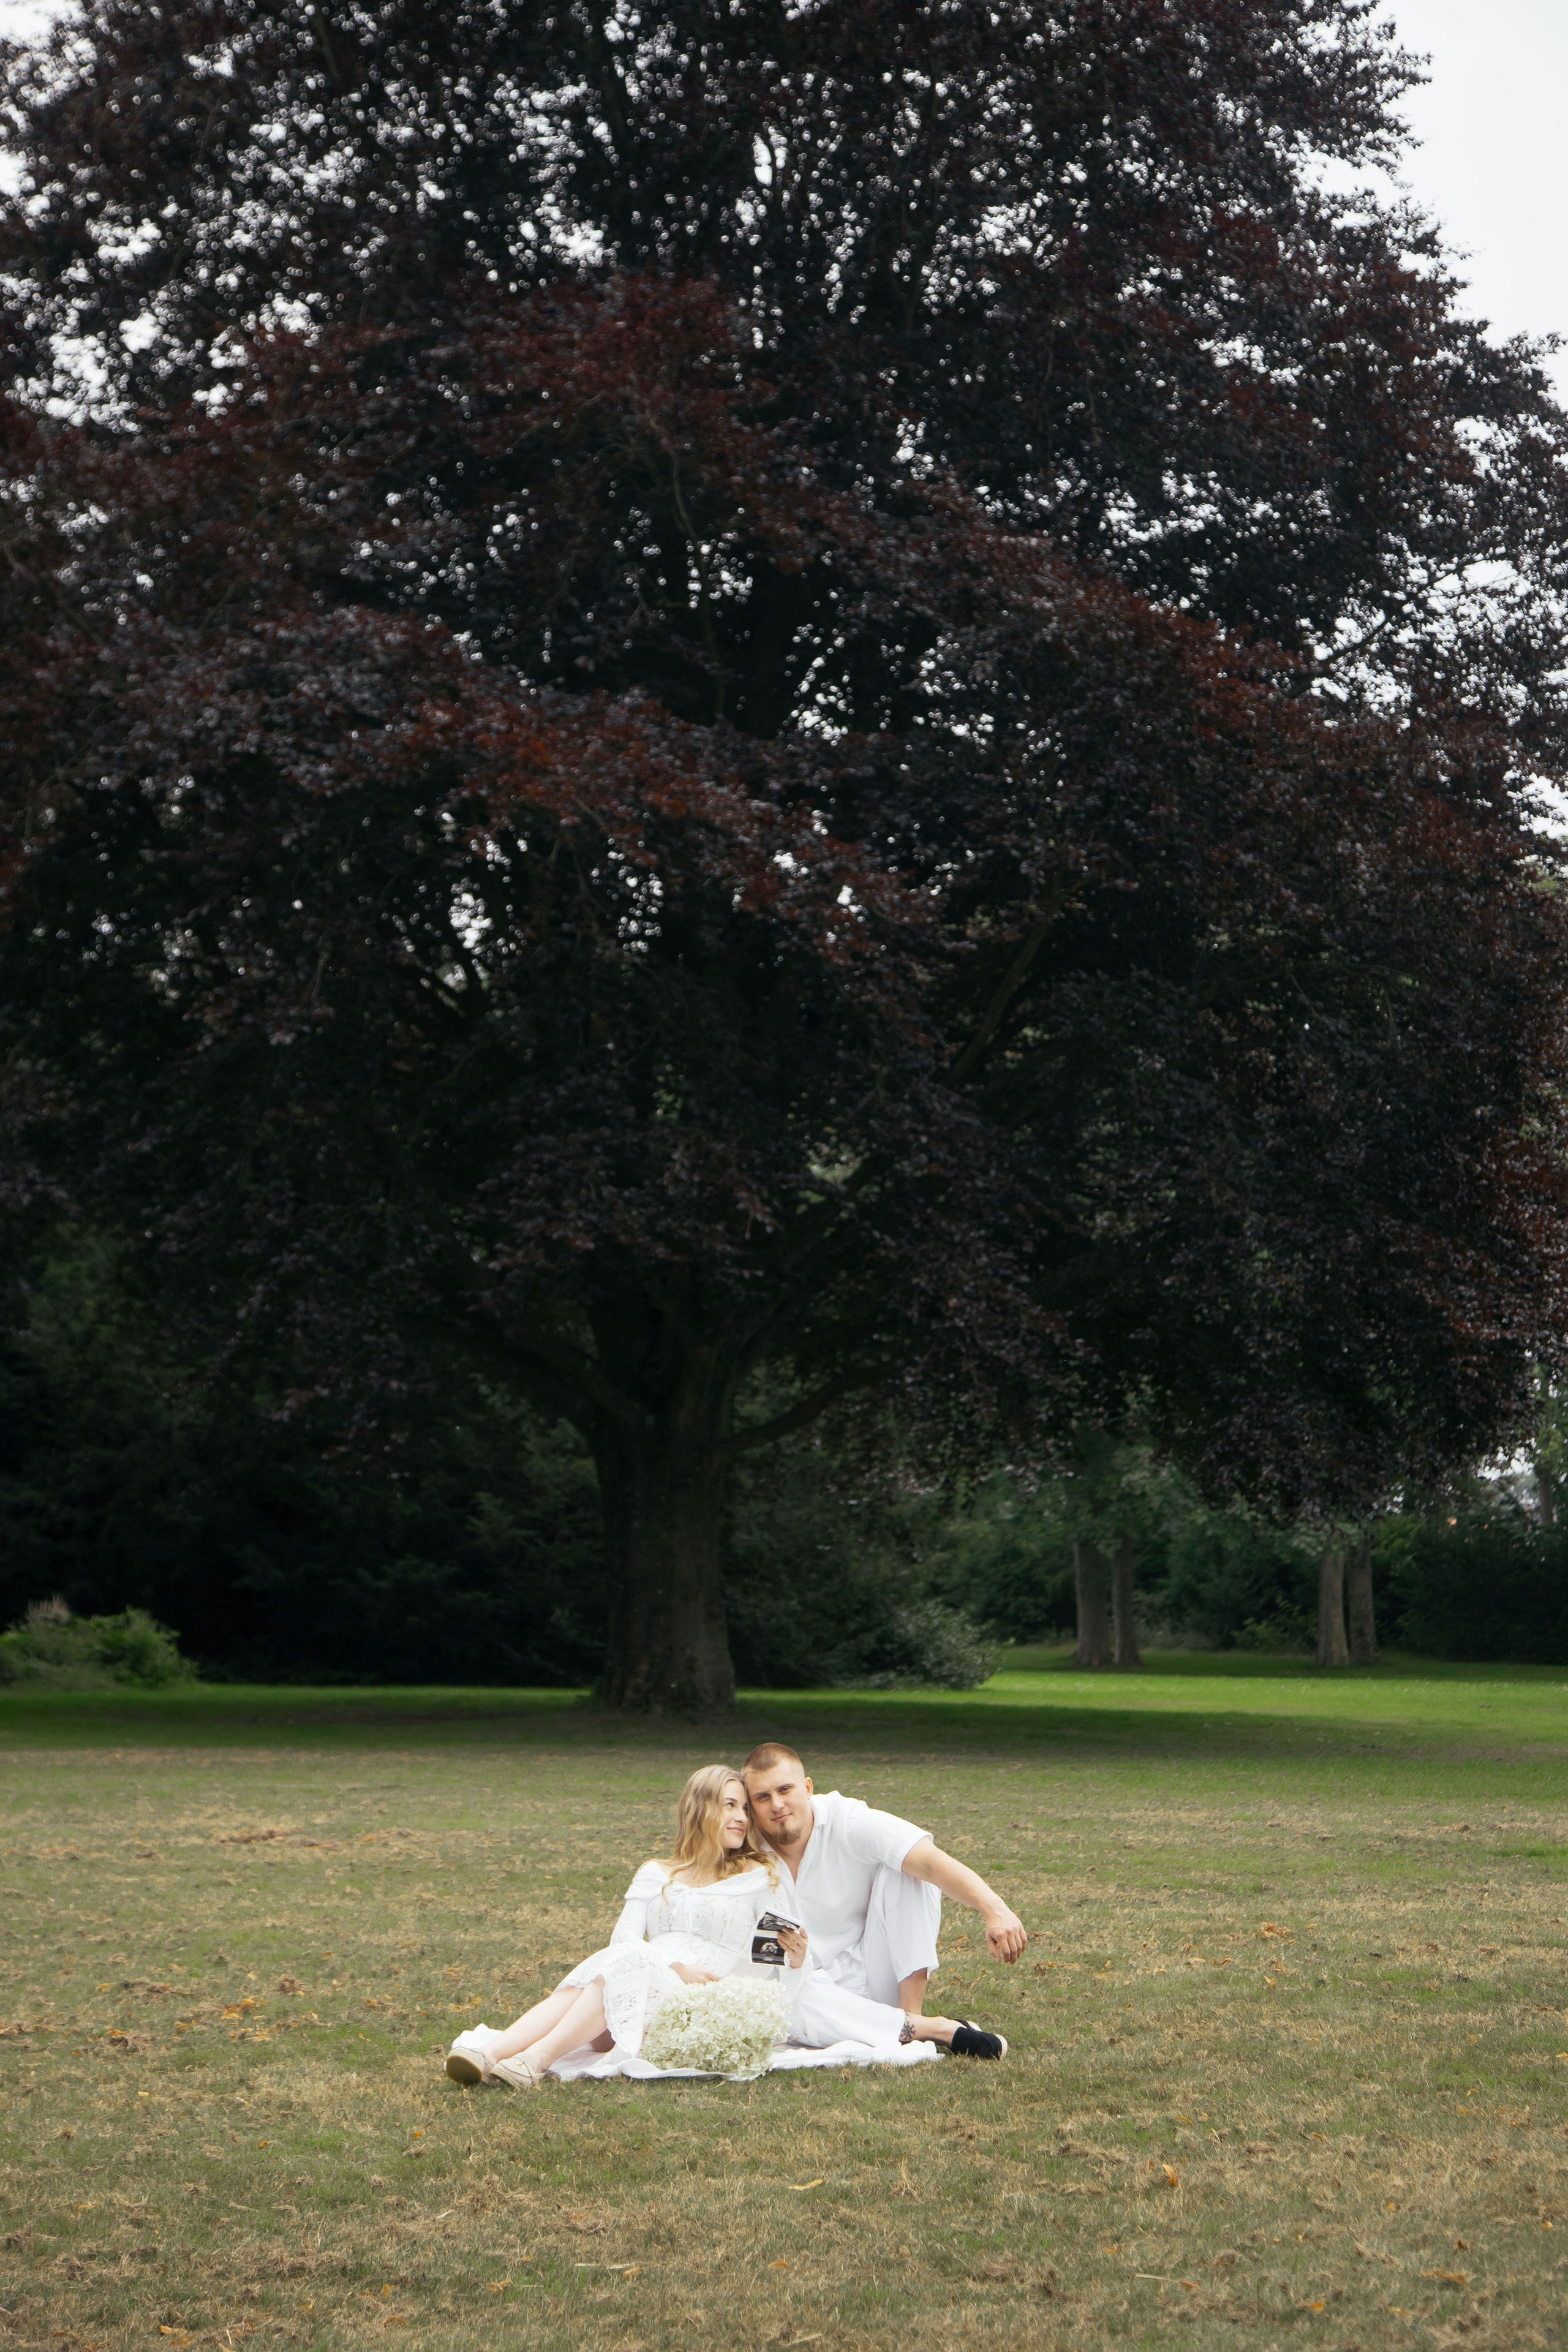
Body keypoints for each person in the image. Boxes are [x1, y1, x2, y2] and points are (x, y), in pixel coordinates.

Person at [445, 1763, 999, 2086]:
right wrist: (667, 1963)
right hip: (637, 1979)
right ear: (698, 1812)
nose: (742, 1817)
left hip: (705, 1990)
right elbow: (621, 1943)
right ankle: (494, 2053)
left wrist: (787, 1958)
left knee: (632, 1967)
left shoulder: (760, 1875)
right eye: (729, 1806)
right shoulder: (656, 1872)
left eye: (743, 1806)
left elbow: (769, 1959)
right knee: (620, 1964)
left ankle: (528, 2061)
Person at [741, 1742, 1023, 2060]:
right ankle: (923, 2030)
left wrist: (995, 1910)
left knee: (907, 1869)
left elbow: (930, 1861)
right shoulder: (743, 1845)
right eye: (763, 1797)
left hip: (872, 1974)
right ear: (750, 1805)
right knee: (784, 1997)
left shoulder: (846, 1821)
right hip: (807, 1991)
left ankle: (910, 2020)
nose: (777, 1805)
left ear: (807, 1788)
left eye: (785, 1790)